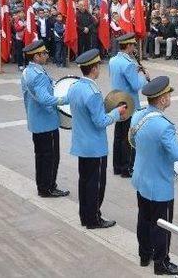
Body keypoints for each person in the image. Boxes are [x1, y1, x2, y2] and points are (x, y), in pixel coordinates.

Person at [131, 76, 178, 274]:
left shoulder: (138, 116)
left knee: (144, 218)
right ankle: (161, 262)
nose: (169, 97)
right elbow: (177, 154)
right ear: (161, 99)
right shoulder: (164, 126)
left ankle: (144, 255)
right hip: (159, 183)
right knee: (162, 225)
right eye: (168, 94)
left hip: (141, 178)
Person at [68, 49, 127, 229]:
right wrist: (117, 113)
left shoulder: (75, 86)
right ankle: (94, 219)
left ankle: (85, 217)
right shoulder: (92, 92)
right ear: (93, 69)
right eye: (98, 66)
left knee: (84, 182)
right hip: (95, 147)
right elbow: (100, 122)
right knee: (96, 185)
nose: (99, 68)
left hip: (81, 144)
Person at [20, 40, 70, 198]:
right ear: (36, 57)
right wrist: (65, 99)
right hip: (47, 123)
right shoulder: (39, 75)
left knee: (41, 156)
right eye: (44, 53)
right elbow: (44, 99)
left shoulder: (29, 71)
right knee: (50, 157)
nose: (47, 55)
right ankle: (48, 187)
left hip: (36, 122)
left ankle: (42, 186)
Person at [109, 33, 149, 178]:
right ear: (129, 46)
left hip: (116, 100)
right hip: (129, 103)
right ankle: (127, 168)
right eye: (133, 45)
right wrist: (143, 76)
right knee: (127, 137)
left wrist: (135, 71)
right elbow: (136, 85)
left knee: (118, 135)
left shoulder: (113, 60)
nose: (134, 48)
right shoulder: (128, 64)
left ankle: (117, 166)